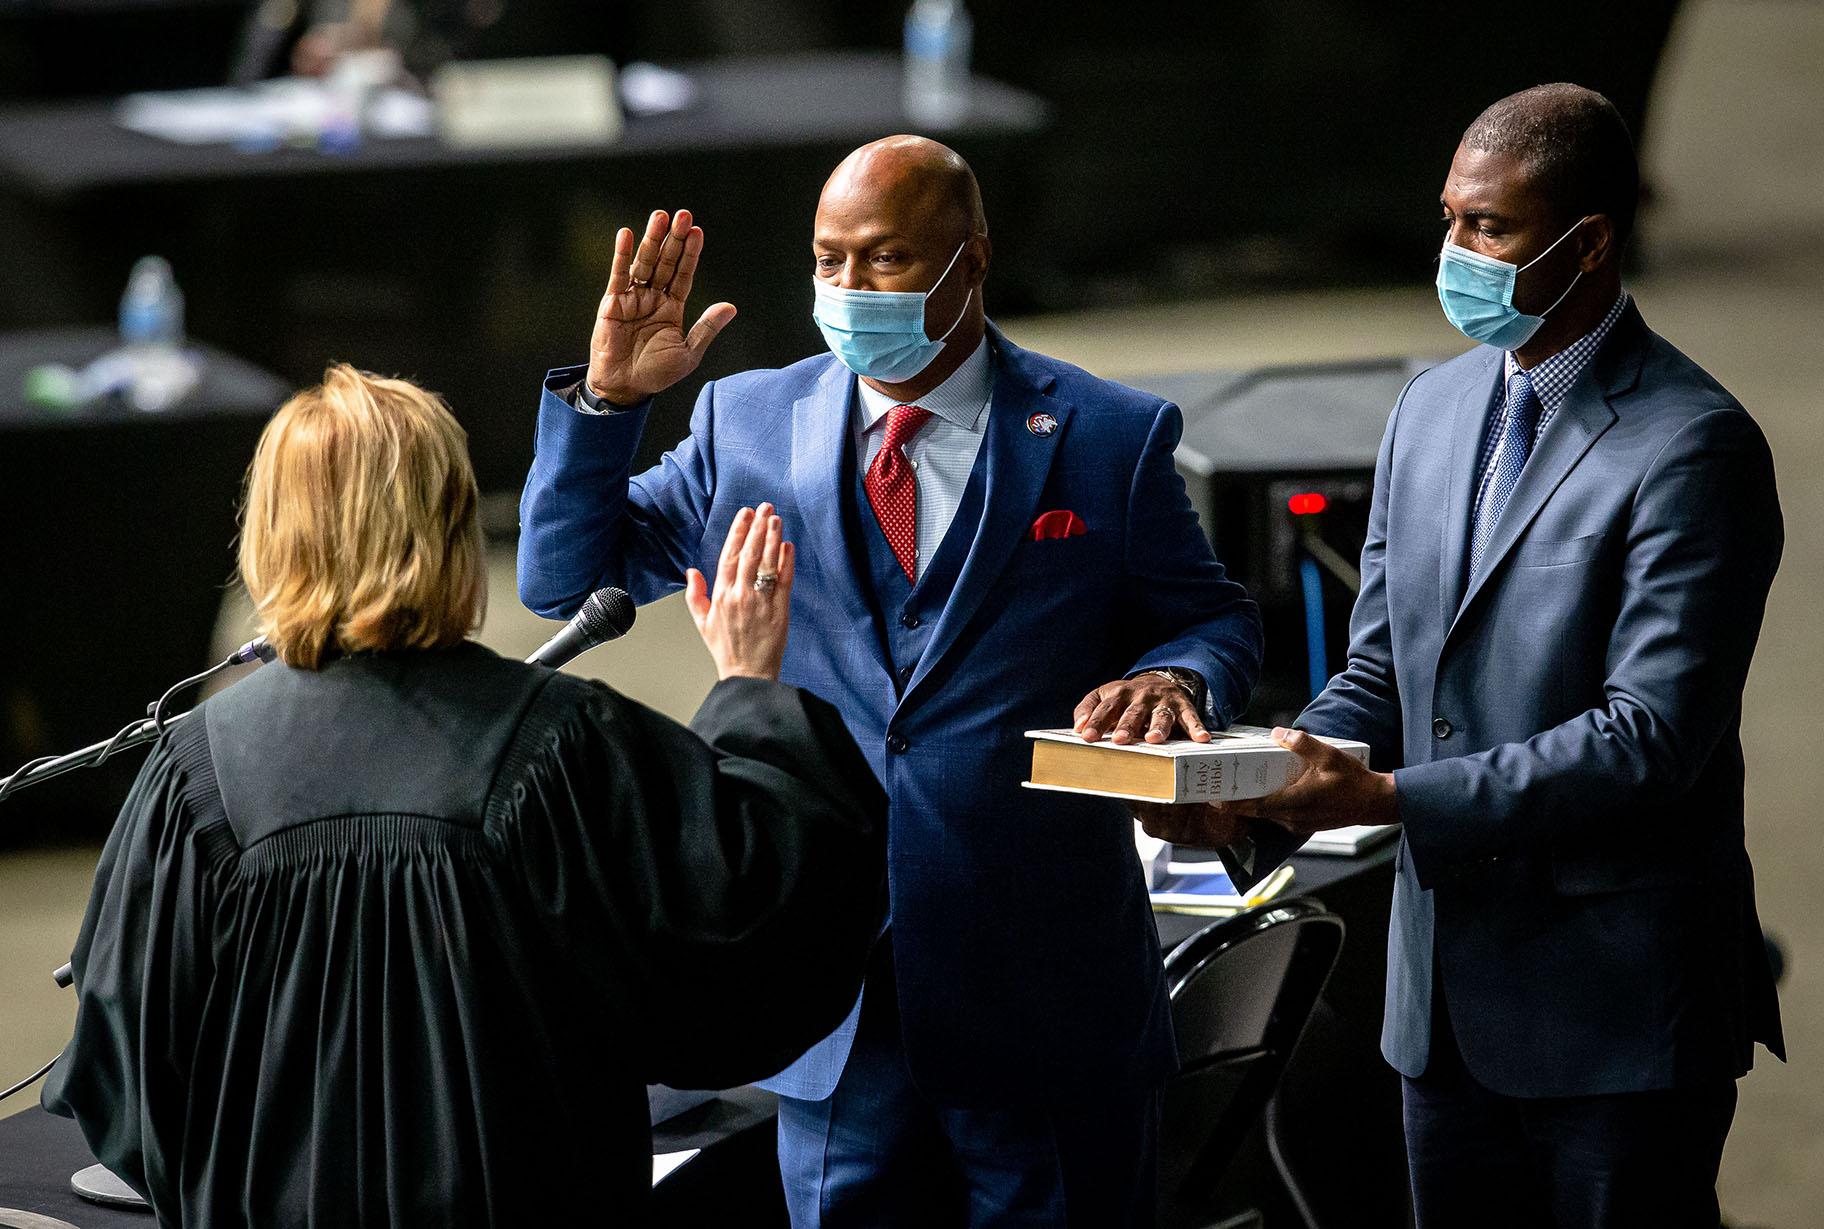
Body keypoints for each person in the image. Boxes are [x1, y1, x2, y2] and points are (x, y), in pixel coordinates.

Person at [517, 136, 1263, 1226]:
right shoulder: (747, 423)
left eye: (886, 258)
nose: (850, 288)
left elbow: (1212, 616)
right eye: (829, 261)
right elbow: (560, 578)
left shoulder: (1109, 434)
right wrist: (607, 404)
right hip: (835, 1010)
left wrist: (1173, 671)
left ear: (972, 259)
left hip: (1046, 1006)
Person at [1139, 85, 1785, 1227]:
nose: (1455, 252)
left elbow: (1650, 739)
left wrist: (1387, 796)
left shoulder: (1694, 446)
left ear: (1587, 244)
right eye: (1448, 219)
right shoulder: (1430, 410)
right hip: (1438, 1013)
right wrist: (1250, 787)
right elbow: (1383, 672)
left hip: (1615, 1021)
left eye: (1490, 228)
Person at [42, 364, 887, 1226]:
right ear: (451, 528)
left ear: (269, 536)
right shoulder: (566, 742)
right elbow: (749, 957)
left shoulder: (194, 772)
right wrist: (750, 691)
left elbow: (128, 1086)